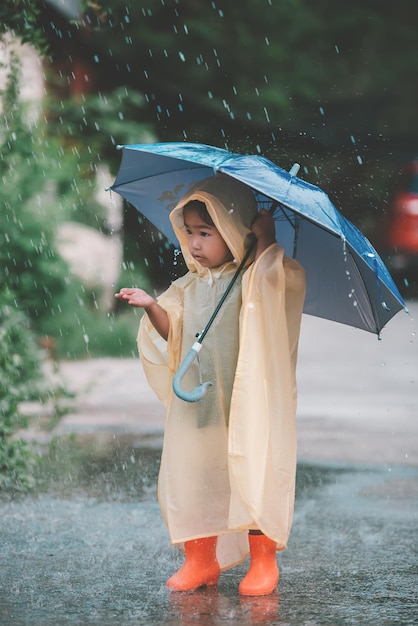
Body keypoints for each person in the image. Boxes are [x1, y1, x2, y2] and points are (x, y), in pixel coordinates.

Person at [115, 174, 306, 596]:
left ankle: (263, 561)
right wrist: (152, 307)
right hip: (202, 404)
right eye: (189, 233)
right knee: (197, 476)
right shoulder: (190, 286)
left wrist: (267, 245)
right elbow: (174, 334)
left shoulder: (255, 276)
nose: (195, 243)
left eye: (206, 232)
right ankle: (201, 559)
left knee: (252, 472)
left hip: (246, 405)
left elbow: (277, 291)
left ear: (235, 231)